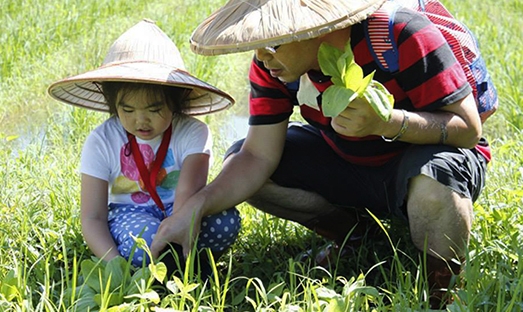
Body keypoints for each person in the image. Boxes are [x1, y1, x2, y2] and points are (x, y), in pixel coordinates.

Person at [152, 0, 490, 308]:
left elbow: (468, 128)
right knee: (244, 162)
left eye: (272, 44)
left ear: (314, 26)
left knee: (433, 185)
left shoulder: (400, 34)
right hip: (349, 159)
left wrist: (387, 123)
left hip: (425, 156)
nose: (262, 58)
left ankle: (441, 292)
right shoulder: (272, 68)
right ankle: (356, 235)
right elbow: (257, 156)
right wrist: (194, 208)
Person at [47, 19, 241, 274]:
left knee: (225, 222)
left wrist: (179, 234)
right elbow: (92, 217)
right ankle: (160, 264)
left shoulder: (193, 132)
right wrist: (115, 265)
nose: (140, 120)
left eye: (154, 109)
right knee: (144, 242)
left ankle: (190, 259)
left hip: (183, 210)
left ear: (176, 100)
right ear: (112, 103)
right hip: (130, 213)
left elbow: (186, 198)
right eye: (127, 109)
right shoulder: (101, 141)